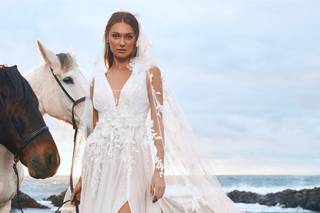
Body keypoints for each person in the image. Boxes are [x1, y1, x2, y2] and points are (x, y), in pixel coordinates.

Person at [72, 11, 245, 213]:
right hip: (98, 165)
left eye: (128, 36)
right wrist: (84, 177)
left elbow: (157, 123)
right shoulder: (96, 81)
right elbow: (93, 131)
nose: (121, 42)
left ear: (136, 40)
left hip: (132, 163)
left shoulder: (149, 74)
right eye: (116, 35)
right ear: (107, 38)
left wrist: (159, 171)